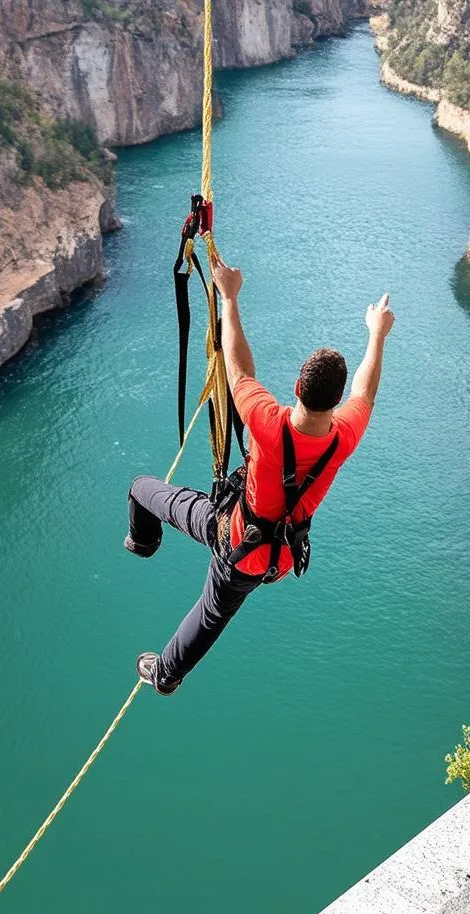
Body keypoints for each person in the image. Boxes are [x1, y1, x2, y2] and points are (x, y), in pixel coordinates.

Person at [125, 254, 395, 695]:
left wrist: (229, 297)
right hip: (278, 559)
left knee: (141, 488)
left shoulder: (270, 423)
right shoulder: (343, 437)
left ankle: (143, 541)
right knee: (215, 613)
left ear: (296, 388)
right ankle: (167, 674)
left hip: (233, 538)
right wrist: (376, 335)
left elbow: (238, 370)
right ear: (336, 401)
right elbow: (366, 390)